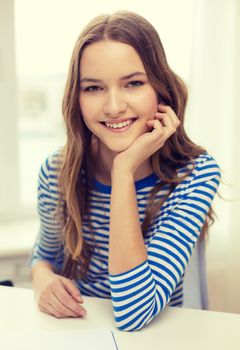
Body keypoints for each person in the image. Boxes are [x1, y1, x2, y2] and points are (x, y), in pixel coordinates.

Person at [31, 10, 221, 331]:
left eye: (133, 83)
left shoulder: (195, 175)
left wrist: (123, 171)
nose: (114, 106)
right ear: (76, 98)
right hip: (77, 335)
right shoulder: (57, 171)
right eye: (93, 88)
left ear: (160, 90)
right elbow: (44, 255)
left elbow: (134, 312)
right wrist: (42, 280)